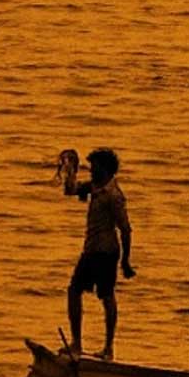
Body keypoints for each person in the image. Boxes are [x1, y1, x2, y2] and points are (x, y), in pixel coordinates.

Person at [65, 147, 134, 360]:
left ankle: (108, 347)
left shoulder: (113, 195)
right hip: (90, 249)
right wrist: (70, 170)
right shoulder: (94, 187)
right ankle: (76, 343)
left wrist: (126, 261)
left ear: (105, 169)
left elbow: (125, 229)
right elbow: (71, 190)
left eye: (94, 167)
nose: (91, 171)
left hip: (106, 252)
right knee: (74, 291)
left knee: (106, 296)